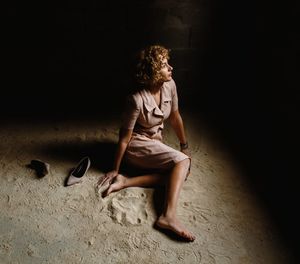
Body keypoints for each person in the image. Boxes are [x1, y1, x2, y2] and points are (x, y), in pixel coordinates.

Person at [97, 45, 195, 242]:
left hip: (154, 141)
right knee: (183, 163)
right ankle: (168, 216)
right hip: (137, 146)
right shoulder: (135, 100)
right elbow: (124, 138)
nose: (171, 68)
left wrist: (183, 144)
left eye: (168, 63)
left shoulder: (170, 85)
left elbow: (175, 117)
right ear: (151, 72)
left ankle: (126, 182)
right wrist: (114, 168)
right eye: (164, 65)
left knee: (181, 172)